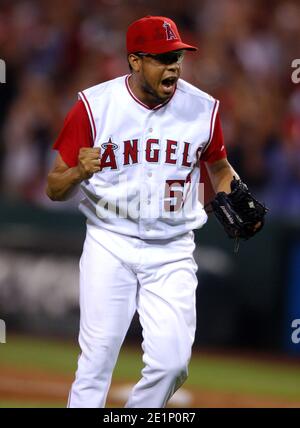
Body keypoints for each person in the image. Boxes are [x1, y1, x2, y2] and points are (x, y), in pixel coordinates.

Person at [46, 15, 239, 408]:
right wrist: (79, 170)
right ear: (134, 61)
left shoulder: (203, 109)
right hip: (109, 241)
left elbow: (219, 167)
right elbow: (54, 187)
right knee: (96, 360)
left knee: (172, 365)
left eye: (178, 56)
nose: (173, 66)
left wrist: (231, 190)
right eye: (162, 57)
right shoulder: (95, 106)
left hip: (172, 249)